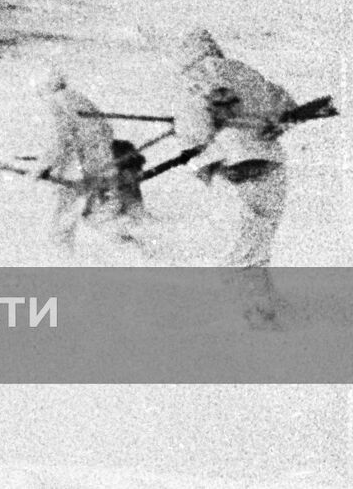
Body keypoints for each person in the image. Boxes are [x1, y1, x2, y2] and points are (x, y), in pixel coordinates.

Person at [171, 28, 299, 324]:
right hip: (274, 168)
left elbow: (193, 133)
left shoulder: (192, 79)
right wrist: (269, 126)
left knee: (236, 254)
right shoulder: (244, 71)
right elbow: (287, 106)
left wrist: (199, 165)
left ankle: (256, 325)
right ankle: (268, 313)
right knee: (256, 248)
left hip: (236, 171)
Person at [32, 69, 151, 252]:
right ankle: (139, 250)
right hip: (105, 164)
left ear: (43, 88)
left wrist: (43, 166)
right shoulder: (78, 99)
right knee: (98, 215)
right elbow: (104, 130)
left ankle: (61, 261)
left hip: (81, 170)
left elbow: (58, 140)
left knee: (63, 219)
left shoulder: (55, 103)